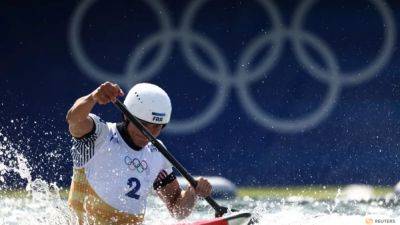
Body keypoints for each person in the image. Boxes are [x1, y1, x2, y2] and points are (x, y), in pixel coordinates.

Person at [66, 82, 212, 224]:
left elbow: (177, 210)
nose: (150, 133)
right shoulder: (99, 135)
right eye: (144, 124)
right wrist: (93, 97)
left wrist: (192, 192)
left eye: (157, 127)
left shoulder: (157, 153)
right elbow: (73, 120)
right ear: (127, 117)